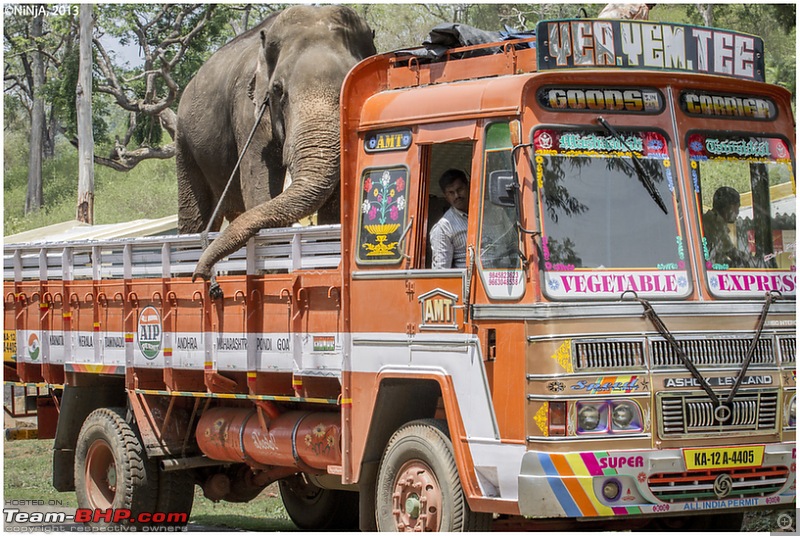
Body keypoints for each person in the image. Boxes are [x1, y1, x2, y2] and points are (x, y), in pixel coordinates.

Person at [430, 169, 470, 269]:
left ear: (469, 186)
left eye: (460, 189)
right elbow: (442, 271)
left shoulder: (493, 211)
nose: (457, 196)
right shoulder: (444, 227)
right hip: (470, 281)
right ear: (446, 196)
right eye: (451, 193)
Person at [702, 186, 751, 267]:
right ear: (729, 207)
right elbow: (733, 253)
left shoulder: (710, 219)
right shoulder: (715, 224)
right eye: (737, 207)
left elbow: (719, 257)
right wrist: (751, 260)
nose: (738, 212)